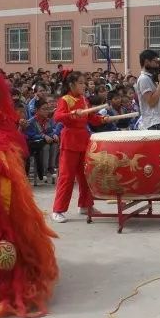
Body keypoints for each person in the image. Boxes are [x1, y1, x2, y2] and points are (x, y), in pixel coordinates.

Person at [51, 71, 112, 223]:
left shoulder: (84, 100)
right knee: (66, 177)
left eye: (84, 83)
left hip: (83, 140)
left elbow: (90, 118)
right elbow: (57, 117)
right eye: (80, 83)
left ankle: (85, 205)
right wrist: (72, 114)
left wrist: (103, 119)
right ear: (71, 85)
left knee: (86, 176)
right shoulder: (65, 100)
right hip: (70, 140)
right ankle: (58, 210)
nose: (84, 86)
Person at [136, 50, 160, 131]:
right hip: (153, 122)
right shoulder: (143, 79)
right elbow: (151, 102)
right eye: (155, 61)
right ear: (146, 62)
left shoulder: (151, 78)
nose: (157, 65)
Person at [26, 101, 59, 185]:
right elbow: (31, 135)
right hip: (35, 145)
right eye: (44, 109)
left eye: (47, 109)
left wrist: (54, 134)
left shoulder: (48, 121)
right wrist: (43, 136)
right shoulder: (31, 122)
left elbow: (51, 131)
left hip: (47, 142)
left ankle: (51, 168)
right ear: (36, 110)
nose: (46, 111)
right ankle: (44, 171)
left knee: (55, 145)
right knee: (46, 147)